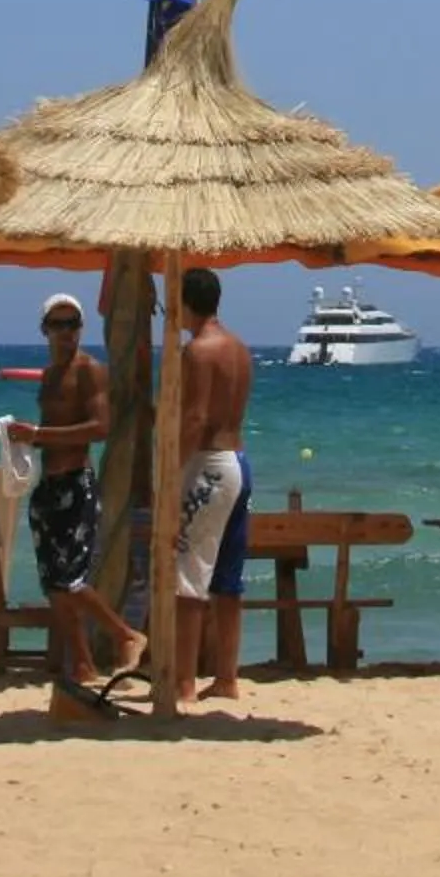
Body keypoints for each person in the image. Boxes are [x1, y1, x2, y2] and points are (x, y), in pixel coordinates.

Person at [6, 293, 146, 690]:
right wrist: (24, 439)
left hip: (75, 486)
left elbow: (101, 428)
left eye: (73, 325)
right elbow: (49, 430)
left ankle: (126, 635)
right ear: (45, 330)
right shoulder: (50, 375)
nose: (66, 333)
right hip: (47, 487)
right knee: (55, 587)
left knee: (71, 580)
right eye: (58, 325)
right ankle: (83, 665)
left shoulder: (90, 371)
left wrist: (39, 434)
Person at [170, 267, 254, 705]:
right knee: (227, 581)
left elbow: (197, 418)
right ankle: (226, 677)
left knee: (187, 576)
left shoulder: (198, 351)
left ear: (186, 302)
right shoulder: (240, 349)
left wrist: (169, 473)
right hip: (239, 462)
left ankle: (184, 682)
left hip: (209, 465)